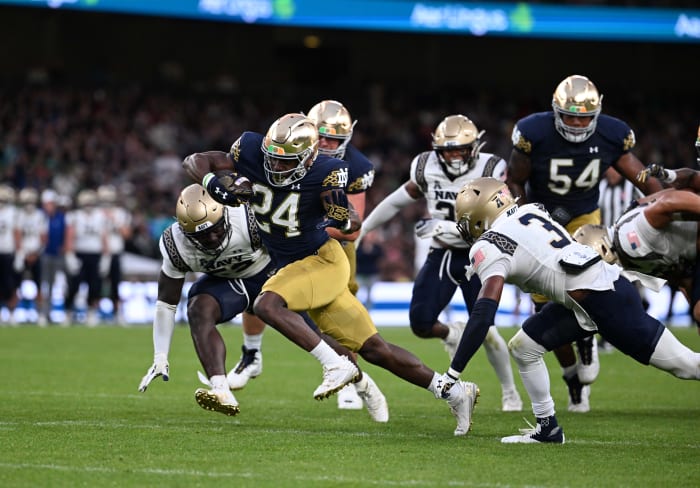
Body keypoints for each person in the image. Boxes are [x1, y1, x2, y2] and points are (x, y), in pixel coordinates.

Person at [183, 112, 479, 435]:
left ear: (309, 157)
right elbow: (195, 161)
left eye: (286, 162)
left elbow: (349, 223)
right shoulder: (251, 150)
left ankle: (335, 364)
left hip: (322, 261)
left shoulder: (328, 172)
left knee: (267, 304)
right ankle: (453, 391)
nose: (276, 167)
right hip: (297, 265)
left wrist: (342, 215)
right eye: (273, 158)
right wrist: (214, 183)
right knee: (375, 350)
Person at [436, 177, 700, 444]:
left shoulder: (489, 244)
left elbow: (483, 314)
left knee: (687, 366)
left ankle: (580, 363)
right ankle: (548, 428)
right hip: (590, 294)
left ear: (480, 215)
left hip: (604, 299)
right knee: (524, 346)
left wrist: (452, 374)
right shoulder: (530, 210)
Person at [137, 183, 389, 421]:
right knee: (198, 309)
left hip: (273, 274)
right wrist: (160, 356)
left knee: (318, 336)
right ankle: (221, 389)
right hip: (232, 283)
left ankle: (363, 382)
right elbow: (167, 303)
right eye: (202, 236)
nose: (213, 239)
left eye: (216, 229)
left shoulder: (247, 217)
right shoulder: (175, 246)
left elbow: (294, 240)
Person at [506, 74, 665, 412]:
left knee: (590, 285)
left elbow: (641, 179)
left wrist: (666, 201)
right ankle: (570, 375)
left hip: (584, 219)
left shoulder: (612, 133)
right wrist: (524, 220)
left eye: (584, 116)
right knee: (544, 306)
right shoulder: (533, 132)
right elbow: (515, 181)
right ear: (555, 112)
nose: (577, 123)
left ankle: (588, 339)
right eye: (570, 115)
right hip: (543, 219)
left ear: (597, 114)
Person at [358, 114, 522, 412]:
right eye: (448, 150)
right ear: (437, 149)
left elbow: (505, 217)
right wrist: (365, 228)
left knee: (486, 330)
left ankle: (510, 391)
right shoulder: (426, 167)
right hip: (444, 253)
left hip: (480, 253)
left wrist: (448, 228)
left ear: (474, 146)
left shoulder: (491, 168)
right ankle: (451, 333)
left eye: (460, 149)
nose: (454, 156)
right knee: (420, 323)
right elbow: (397, 200)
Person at [307, 99, 376, 410]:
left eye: (332, 138)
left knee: (341, 313)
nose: (324, 144)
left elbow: (351, 230)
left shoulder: (356, 168)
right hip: (289, 240)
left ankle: (350, 378)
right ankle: (251, 353)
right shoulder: (293, 149)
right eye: (319, 136)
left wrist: (306, 226)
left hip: (334, 246)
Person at [573, 187, 700, 329]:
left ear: (601, 249)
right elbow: (680, 277)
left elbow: (668, 202)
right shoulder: (627, 258)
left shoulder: (628, 239)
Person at [63, 189, 111, 326]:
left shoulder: (100, 216)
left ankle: (91, 313)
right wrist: (69, 254)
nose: (88, 205)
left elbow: (104, 237)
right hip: (79, 254)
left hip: (95, 254)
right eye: (86, 203)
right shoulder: (75, 216)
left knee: (94, 286)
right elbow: (69, 236)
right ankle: (68, 312)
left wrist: (106, 257)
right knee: (74, 285)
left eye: (91, 203)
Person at [97, 184, 133, 325]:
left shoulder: (120, 213)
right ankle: (95, 313)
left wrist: (115, 221)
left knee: (115, 284)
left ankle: (117, 313)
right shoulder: (95, 213)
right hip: (99, 252)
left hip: (115, 252)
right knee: (97, 284)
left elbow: (127, 235)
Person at [14, 187, 48, 325]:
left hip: (36, 254)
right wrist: (21, 252)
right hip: (22, 254)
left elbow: (44, 237)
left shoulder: (39, 215)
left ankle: (40, 314)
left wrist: (35, 253)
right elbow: (16, 235)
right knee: (16, 285)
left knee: (39, 285)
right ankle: (14, 313)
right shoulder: (18, 215)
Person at [38, 189, 67, 326]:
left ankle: (63, 313)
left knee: (61, 285)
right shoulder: (40, 217)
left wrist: (65, 248)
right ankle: (44, 313)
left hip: (59, 256)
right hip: (45, 255)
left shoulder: (61, 217)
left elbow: (67, 233)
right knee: (46, 285)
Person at [0, 184, 19, 325]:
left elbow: (17, 233)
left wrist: (19, 252)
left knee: (10, 285)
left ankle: (12, 313)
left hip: (8, 252)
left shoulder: (13, 212)